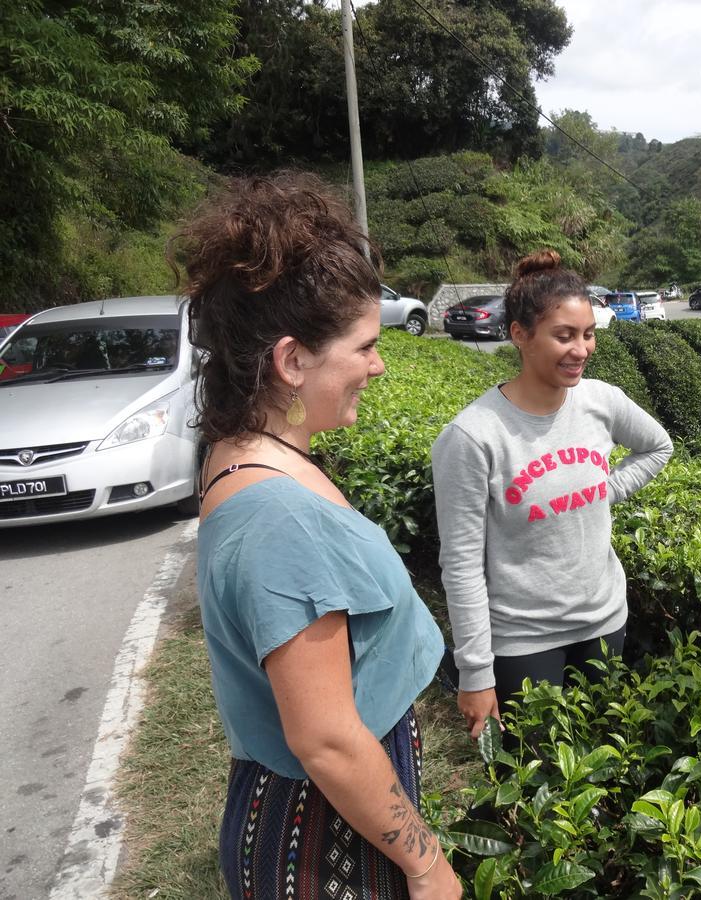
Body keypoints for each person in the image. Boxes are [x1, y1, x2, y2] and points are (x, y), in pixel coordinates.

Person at [175, 173, 461, 899]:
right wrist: (427, 862)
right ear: (292, 360)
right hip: (325, 837)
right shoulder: (280, 519)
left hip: (322, 816)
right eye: (363, 346)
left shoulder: (248, 451)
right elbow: (327, 739)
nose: (379, 362)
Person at [432, 250, 673, 740]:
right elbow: (460, 565)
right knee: (538, 776)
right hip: (523, 639)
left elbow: (658, 446)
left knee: (603, 759)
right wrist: (475, 672)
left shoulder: (600, 401)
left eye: (587, 335)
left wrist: (604, 491)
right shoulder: (474, 436)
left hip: (605, 620)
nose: (581, 349)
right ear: (520, 335)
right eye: (563, 336)